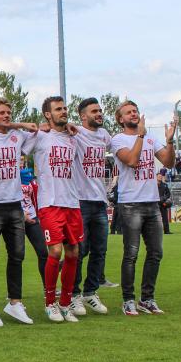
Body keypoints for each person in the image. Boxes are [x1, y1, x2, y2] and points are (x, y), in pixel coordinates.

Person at [110, 101, 176, 315]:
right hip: (130, 204)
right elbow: (131, 161)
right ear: (120, 119)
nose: (134, 114)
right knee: (131, 253)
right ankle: (128, 299)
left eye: (135, 111)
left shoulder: (150, 138)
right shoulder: (118, 139)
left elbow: (168, 162)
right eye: (128, 112)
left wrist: (169, 141)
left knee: (156, 252)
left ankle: (147, 298)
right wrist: (139, 136)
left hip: (152, 202)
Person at [0, 98, 39, 326]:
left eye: (9, 112)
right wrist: (18, 124)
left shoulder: (18, 137)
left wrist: (19, 126)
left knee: (17, 256)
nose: (6, 115)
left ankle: (15, 303)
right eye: (1, 113)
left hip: (15, 204)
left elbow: (37, 131)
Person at [30, 96, 82, 323]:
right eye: (58, 109)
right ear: (47, 114)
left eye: (64, 108)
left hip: (72, 202)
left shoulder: (74, 138)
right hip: (49, 203)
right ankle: (50, 303)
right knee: (55, 252)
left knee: (74, 253)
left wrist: (74, 128)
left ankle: (65, 303)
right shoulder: (40, 137)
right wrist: (34, 128)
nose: (63, 112)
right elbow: (17, 142)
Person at [71, 97, 113, 315]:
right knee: (79, 250)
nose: (99, 114)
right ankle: (73, 294)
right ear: (83, 115)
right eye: (94, 111)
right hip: (80, 201)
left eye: (100, 110)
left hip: (100, 201)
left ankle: (90, 292)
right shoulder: (76, 132)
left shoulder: (105, 135)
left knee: (100, 250)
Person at [20, 166, 48, 290]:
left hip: (33, 218)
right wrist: (20, 214)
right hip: (16, 220)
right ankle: (14, 294)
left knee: (43, 253)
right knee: (16, 257)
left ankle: (48, 288)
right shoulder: (11, 177)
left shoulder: (29, 178)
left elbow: (35, 198)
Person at [157, 170, 172, 234]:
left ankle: (167, 231)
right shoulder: (153, 185)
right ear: (156, 177)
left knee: (165, 218)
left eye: (161, 176)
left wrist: (164, 198)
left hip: (163, 204)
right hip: (155, 204)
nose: (160, 177)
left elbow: (168, 194)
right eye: (159, 176)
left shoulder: (165, 185)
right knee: (153, 219)